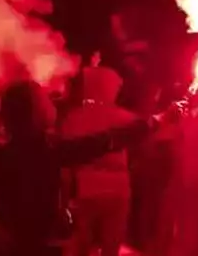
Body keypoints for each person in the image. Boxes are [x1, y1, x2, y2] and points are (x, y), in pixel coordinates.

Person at [0, 80, 177, 256]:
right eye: (43, 100)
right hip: (36, 244)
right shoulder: (42, 150)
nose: (52, 101)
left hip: (13, 241)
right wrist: (155, 122)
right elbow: (103, 141)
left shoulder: (2, 149)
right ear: (31, 113)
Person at [61, 50, 132, 256]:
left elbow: (66, 161)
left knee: (82, 244)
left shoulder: (73, 118)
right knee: (110, 245)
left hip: (87, 189)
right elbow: (147, 130)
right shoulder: (122, 117)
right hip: (114, 191)